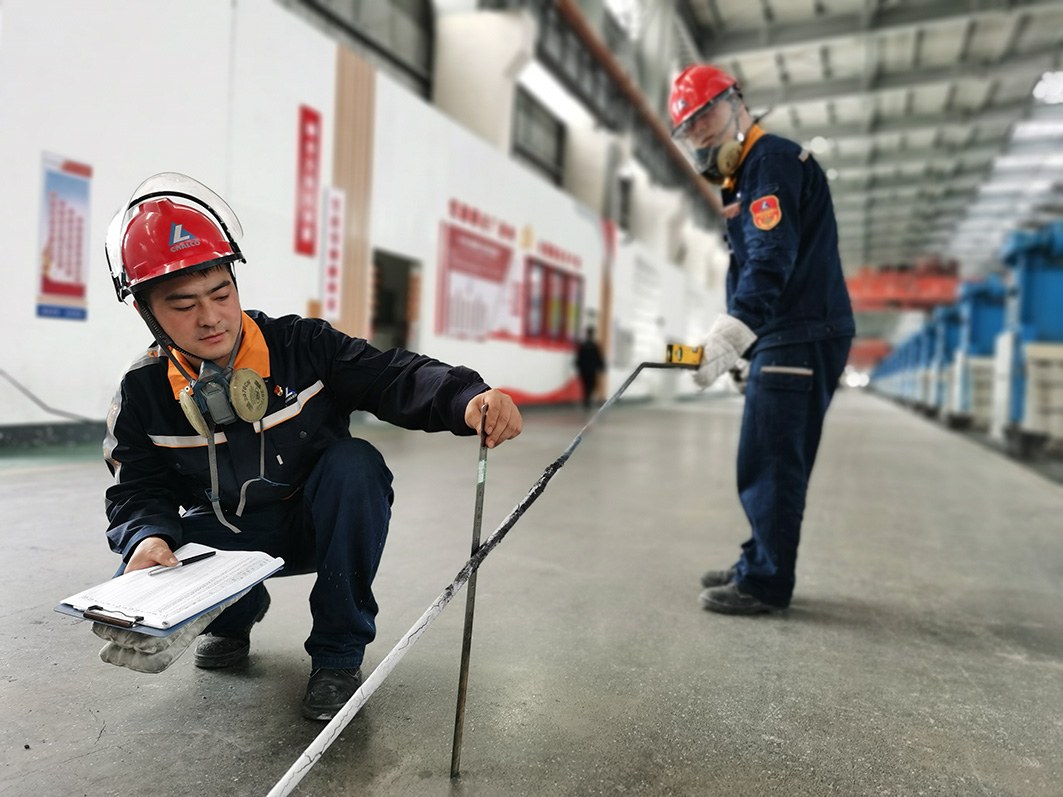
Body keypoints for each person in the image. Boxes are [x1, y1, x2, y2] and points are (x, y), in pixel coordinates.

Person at [101, 173, 523, 719]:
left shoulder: (304, 347)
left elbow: (392, 375)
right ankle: (233, 612)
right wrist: (146, 539)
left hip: (315, 525)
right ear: (146, 313)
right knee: (140, 574)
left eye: (221, 294)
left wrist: (466, 398)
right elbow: (135, 487)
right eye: (183, 305)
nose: (210, 317)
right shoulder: (140, 393)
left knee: (356, 465)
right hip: (228, 536)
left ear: (234, 282)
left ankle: (337, 657)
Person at [668, 65, 855, 615]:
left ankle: (766, 582)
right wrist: (748, 346)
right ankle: (759, 559)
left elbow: (771, 261)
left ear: (736, 100)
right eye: (688, 128)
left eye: (706, 115)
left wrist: (732, 334)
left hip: (797, 331)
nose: (700, 132)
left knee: (772, 460)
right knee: (764, 454)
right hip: (786, 333)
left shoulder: (767, 161)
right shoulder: (748, 172)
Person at [574, 325, 605, 408]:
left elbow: (579, 358)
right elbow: (599, 358)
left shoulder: (583, 345)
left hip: (584, 369)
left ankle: (586, 400)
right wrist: (601, 367)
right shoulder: (594, 345)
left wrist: (578, 367)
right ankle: (587, 400)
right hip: (592, 370)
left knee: (585, 385)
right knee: (591, 385)